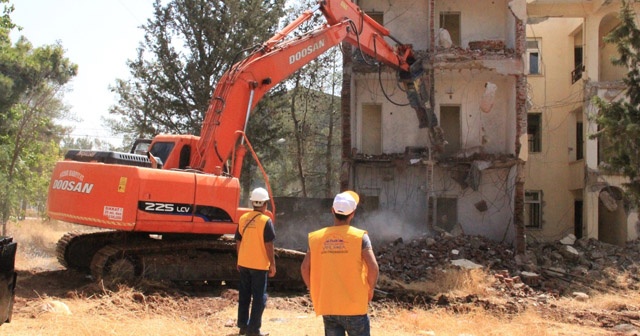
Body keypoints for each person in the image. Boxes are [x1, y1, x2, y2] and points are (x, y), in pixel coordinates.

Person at [300, 190, 379, 336]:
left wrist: (313, 288)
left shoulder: (316, 238)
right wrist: (370, 288)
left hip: (328, 305)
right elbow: (373, 267)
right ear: (353, 213)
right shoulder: (359, 237)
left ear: (332, 211)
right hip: (354, 307)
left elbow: (305, 268)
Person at [235, 187, 276, 336]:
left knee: (244, 295)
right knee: (259, 298)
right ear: (265, 204)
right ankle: (254, 330)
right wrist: (272, 264)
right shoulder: (266, 221)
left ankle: (243, 326)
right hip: (259, 266)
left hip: (244, 264)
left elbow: (238, 241)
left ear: (253, 203)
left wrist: (240, 259)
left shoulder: (243, 218)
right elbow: (269, 245)